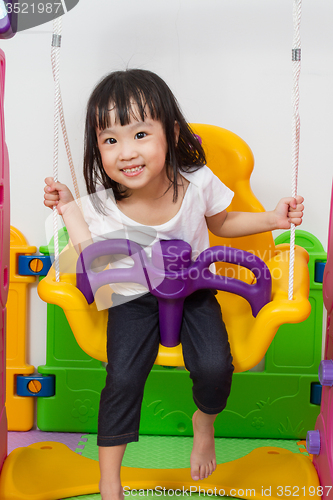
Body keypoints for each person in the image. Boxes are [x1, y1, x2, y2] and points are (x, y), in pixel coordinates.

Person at [44, 69, 304, 500]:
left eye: (141, 134)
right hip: (133, 297)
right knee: (123, 377)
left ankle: (205, 421)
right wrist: (70, 207)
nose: (126, 152)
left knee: (216, 367)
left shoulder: (197, 180)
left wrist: (274, 221)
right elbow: (88, 251)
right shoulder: (106, 203)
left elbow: (222, 222)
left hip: (197, 292)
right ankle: (110, 478)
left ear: (172, 133)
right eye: (110, 140)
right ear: (98, 149)